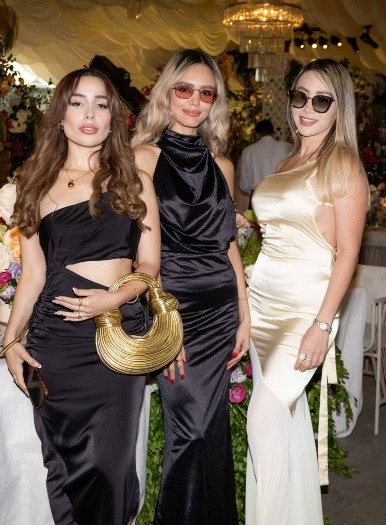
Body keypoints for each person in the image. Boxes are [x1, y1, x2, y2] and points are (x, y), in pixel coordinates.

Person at [1, 68, 161, 525]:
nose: (89, 113)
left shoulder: (135, 179)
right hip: (56, 343)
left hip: (115, 344)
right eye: (77, 102)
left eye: (101, 104)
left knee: (108, 468)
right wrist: (10, 341)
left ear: (113, 120)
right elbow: (34, 274)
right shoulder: (36, 182)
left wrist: (115, 298)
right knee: (66, 468)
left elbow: (149, 265)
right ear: (61, 115)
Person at [245, 59, 368, 524]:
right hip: (261, 303)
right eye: (300, 97)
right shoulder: (286, 162)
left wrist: (322, 325)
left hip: (303, 312)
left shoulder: (343, 165)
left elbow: (348, 253)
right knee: (282, 427)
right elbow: (279, 233)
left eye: (321, 100)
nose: (307, 109)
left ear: (339, 108)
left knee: (262, 424)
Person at [132, 49, 250, 525]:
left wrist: (244, 314)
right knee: (191, 433)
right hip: (175, 306)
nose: (195, 101)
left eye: (206, 93)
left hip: (220, 309)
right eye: (184, 89)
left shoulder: (223, 166)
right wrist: (164, 323)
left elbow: (228, 245)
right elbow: (141, 251)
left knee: (211, 431)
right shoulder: (143, 157)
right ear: (167, 92)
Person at [237, 119, 291, 196]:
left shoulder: (248, 151)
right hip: (282, 194)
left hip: (258, 195)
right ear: (274, 133)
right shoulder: (287, 147)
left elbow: (244, 185)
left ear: (257, 134)